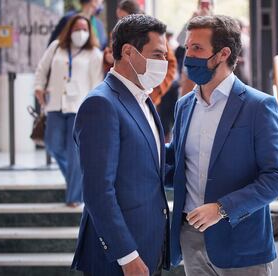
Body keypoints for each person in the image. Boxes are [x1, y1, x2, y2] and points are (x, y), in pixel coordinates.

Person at [166, 15, 278, 276]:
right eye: (188, 47)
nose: (188, 55)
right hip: (191, 238)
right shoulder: (184, 106)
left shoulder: (259, 106)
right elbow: (177, 165)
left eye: (197, 48)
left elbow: (277, 178)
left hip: (241, 241)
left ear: (223, 54)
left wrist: (222, 209)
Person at [71, 14, 170, 276]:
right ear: (128, 52)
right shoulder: (101, 104)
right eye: (158, 54)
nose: (165, 63)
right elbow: (97, 191)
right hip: (119, 258)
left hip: (150, 247)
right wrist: (127, 256)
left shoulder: (143, 98)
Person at [34, 14, 103, 207]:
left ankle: (74, 197)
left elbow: (97, 85)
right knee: (52, 144)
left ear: (89, 33)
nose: (80, 33)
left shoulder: (94, 54)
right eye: (76, 29)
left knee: (75, 155)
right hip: (55, 104)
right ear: (69, 30)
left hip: (80, 109)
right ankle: (78, 183)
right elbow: (41, 68)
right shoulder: (56, 47)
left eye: (84, 29)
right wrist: (38, 87)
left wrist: (95, 112)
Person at [102, 0, 177, 106]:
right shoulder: (115, 34)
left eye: (123, 18)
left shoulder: (153, 35)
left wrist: (156, 91)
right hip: (123, 92)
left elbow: (171, 65)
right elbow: (113, 56)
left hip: (147, 95)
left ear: (135, 16)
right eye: (118, 18)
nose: (120, 21)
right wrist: (108, 58)